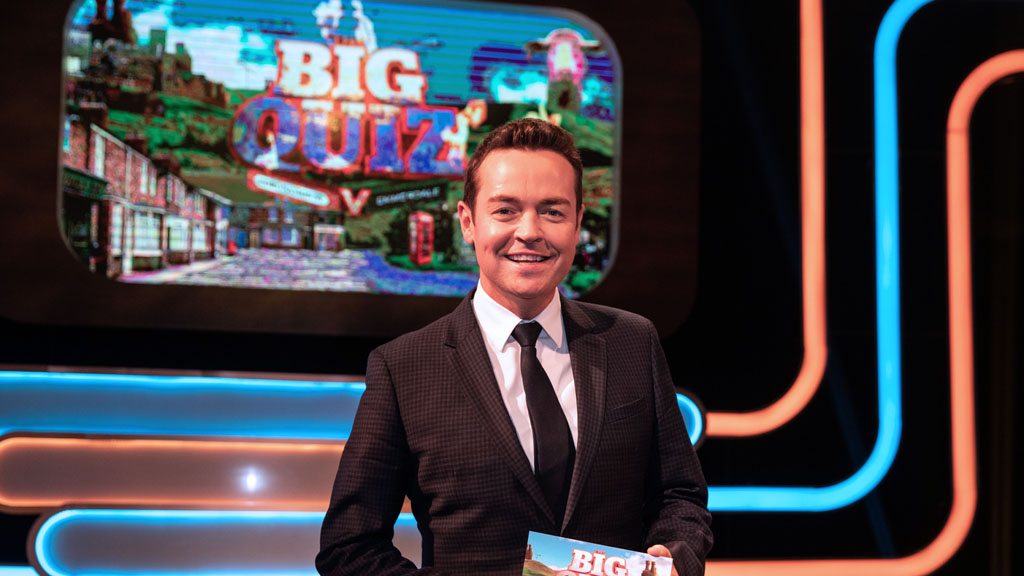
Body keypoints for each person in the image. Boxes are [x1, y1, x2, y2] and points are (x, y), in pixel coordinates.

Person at [317, 118, 712, 575]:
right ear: (468, 222)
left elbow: (680, 496)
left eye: (553, 212)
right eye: (506, 210)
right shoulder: (403, 368)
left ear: (578, 222)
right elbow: (350, 546)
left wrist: (673, 554)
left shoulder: (632, 341)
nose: (530, 231)